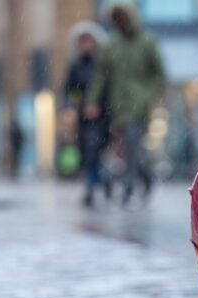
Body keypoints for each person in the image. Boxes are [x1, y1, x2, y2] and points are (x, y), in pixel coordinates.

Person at [84, 3, 164, 205]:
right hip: (116, 107)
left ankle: (128, 189)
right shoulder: (112, 45)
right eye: (116, 18)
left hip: (139, 107)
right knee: (126, 149)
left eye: (123, 17)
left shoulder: (147, 42)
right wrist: (92, 101)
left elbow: (159, 74)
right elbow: (101, 76)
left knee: (131, 144)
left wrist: (147, 95)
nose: (120, 21)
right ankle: (145, 177)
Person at [62, 22, 109, 207]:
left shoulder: (102, 65)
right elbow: (69, 89)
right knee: (88, 151)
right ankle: (95, 183)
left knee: (96, 150)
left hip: (102, 115)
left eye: (89, 42)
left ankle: (96, 184)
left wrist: (100, 106)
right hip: (84, 116)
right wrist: (70, 107)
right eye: (84, 42)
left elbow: (108, 90)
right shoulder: (76, 66)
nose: (87, 45)